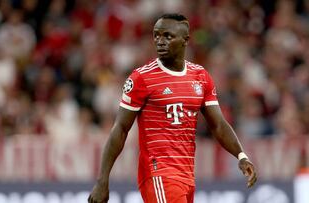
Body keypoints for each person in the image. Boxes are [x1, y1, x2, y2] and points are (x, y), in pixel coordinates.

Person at [88, 13, 257, 203]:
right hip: (158, 174)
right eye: (156, 35)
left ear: (185, 40)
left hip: (186, 175)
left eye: (168, 36)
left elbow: (218, 124)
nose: (160, 41)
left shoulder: (200, 77)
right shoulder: (141, 78)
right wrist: (102, 180)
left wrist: (241, 155)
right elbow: (120, 128)